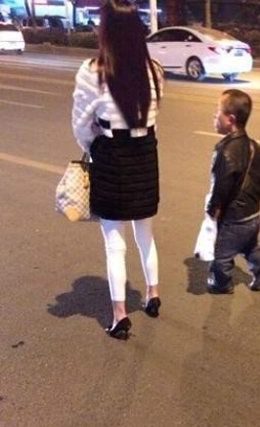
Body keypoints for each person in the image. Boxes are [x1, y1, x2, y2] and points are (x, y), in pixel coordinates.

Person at [71, 0, 164, 340]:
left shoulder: (93, 71)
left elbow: (81, 124)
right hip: (145, 154)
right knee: (145, 235)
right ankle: (153, 295)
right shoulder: (154, 70)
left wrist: (92, 146)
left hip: (112, 157)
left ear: (105, 30)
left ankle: (120, 316)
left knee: (114, 243)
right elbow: (155, 112)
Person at [205, 89, 260, 294]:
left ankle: (221, 284)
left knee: (220, 254)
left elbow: (222, 185)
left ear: (230, 120)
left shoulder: (226, 150)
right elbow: (258, 182)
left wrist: (214, 208)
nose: (214, 116)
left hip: (234, 219)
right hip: (252, 215)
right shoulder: (254, 146)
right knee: (248, 245)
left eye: (218, 112)